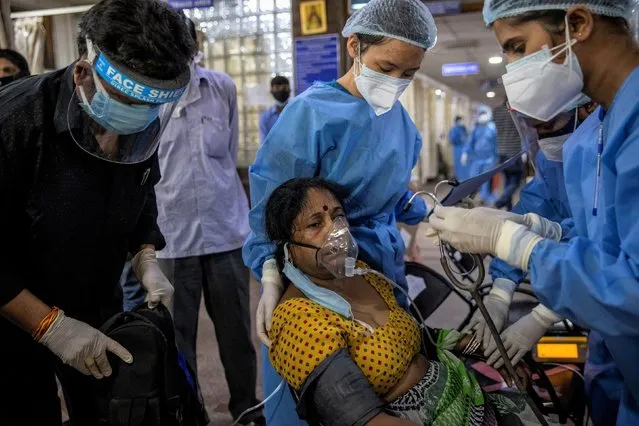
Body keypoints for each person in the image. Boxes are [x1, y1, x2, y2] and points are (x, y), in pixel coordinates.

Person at [429, 2, 639, 424]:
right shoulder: (597, 134)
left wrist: (519, 246)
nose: (512, 69)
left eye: (517, 47)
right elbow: (598, 244)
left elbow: (631, 289)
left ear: (577, 23)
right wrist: (517, 256)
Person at [0, 0, 194, 424]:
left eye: (149, 109)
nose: (137, 121)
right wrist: (49, 326)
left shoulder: (142, 123)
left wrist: (145, 255)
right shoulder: (14, 121)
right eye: (127, 102)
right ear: (83, 72)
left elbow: (141, 191)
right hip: (11, 308)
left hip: (93, 296)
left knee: (114, 407)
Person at [242, 0, 436, 423]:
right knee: (325, 395)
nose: (396, 82)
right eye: (386, 69)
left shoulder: (401, 123)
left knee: (389, 375)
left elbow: (392, 196)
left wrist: (435, 214)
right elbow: (272, 204)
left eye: (408, 74)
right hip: (317, 275)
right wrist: (270, 272)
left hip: (379, 269)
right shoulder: (310, 115)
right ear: (354, 46)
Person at [264, 177, 556, 426]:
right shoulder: (298, 321)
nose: (336, 232)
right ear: (288, 246)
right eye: (316, 224)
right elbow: (363, 420)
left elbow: (417, 340)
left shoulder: (363, 274)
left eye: (338, 216)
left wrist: (488, 349)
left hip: (465, 399)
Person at [152, 17, 263, 425]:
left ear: (197, 42)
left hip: (225, 232)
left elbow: (229, 152)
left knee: (237, 334)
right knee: (176, 338)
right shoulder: (149, 96)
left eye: (189, 39)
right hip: (171, 236)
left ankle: (246, 409)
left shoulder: (222, 87)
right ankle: (189, 412)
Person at [491, 101, 525, 210]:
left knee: (507, 181)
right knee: (515, 180)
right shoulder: (515, 112)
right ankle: (500, 202)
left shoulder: (496, 111)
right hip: (514, 152)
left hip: (502, 152)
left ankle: (509, 208)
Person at [463, 111, 498, 204]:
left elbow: (497, 143)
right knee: (474, 178)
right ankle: (471, 197)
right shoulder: (476, 129)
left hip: (489, 158)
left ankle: (485, 197)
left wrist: (497, 157)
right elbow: (470, 141)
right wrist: (465, 153)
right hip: (477, 158)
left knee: (486, 179)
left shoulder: (492, 128)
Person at [259, 75, 291, 143]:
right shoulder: (265, 117)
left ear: (289, 90)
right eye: (277, 88)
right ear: (271, 91)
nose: (281, 90)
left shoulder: (298, 113)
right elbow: (264, 144)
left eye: (284, 88)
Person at [448, 115, 468, 180]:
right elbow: (452, 139)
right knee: (458, 164)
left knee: (464, 165)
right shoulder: (454, 129)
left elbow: (467, 137)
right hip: (458, 149)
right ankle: (459, 179)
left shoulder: (463, 128)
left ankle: (463, 179)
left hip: (463, 148)